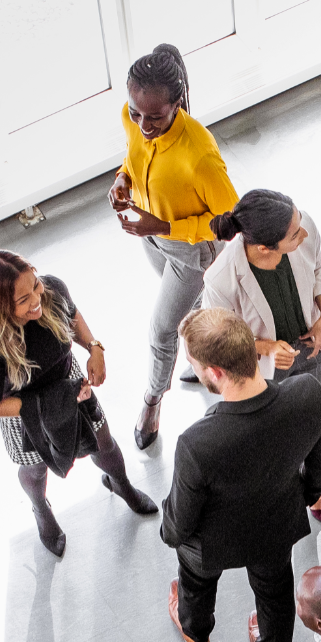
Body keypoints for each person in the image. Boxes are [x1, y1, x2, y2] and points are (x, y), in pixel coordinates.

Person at [160, 309, 321, 642]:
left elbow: (180, 523)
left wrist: (169, 532)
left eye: (194, 364)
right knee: (275, 592)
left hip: (210, 542)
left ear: (216, 372)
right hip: (274, 525)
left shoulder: (197, 444)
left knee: (194, 582)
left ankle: (197, 635)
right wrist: (304, 494)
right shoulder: (307, 394)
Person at [0, 252, 156, 558]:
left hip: (72, 385)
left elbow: (74, 316)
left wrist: (95, 348)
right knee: (36, 468)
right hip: (23, 412)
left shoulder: (52, 290)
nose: (36, 301)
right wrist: (46, 406)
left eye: (35, 287)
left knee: (103, 443)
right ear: (2, 306)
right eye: (23, 299)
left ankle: (121, 484)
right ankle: (41, 508)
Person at [110, 43, 241, 450]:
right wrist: (122, 180)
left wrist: (166, 224)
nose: (143, 124)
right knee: (195, 307)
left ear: (177, 103)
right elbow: (134, 158)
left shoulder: (199, 155)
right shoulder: (133, 117)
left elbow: (231, 223)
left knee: (162, 329)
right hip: (148, 236)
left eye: (155, 117)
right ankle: (203, 360)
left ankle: (151, 401)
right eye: (136, 113)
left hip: (188, 249)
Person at [201, 190, 321, 527]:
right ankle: (285, 491)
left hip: (312, 348)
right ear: (265, 247)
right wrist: (265, 347)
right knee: (275, 435)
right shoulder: (220, 281)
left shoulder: (303, 229)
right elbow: (220, 338)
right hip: (266, 370)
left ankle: (313, 491)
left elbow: (318, 266)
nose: (303, 232)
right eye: (294, 234)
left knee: (311, 419)